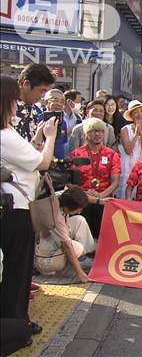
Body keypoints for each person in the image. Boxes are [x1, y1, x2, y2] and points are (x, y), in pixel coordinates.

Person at [1, 74, 57, 335]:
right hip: (16, 210)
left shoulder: (8, 132)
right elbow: (42, 162)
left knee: (14, 267)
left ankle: (14, 319)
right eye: (13, 100)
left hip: (14, 206)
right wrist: (50, 137)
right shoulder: (4, 134)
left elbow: (29, 155)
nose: (17, 105)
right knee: (17, 268)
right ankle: (15, 322)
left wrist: (36, 139)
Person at [69, 118, 121, 239]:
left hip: (103, 200)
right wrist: (85, 193)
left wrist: (101, 195)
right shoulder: (76, 153)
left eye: (101, 131)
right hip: (82, 199)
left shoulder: (112, 154)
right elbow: (70, 181)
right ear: (86, 134)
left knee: (101, 236)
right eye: (93, 131)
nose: (98, 134)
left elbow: (115, 182)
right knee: (81, 236)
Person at [36, 186, 95, 282]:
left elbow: (79, 195)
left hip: (53, 236)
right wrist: (81, 273)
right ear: (68, 207)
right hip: (46, 253)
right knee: (77, 247)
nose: (79, 211)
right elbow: (67, 245)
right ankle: (76, 263)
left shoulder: (62, 196)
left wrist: (100, 201)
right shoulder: (56, 217)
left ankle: (84, 257)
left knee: (80, 220)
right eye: (77, 209)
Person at [117, 100, 142, 198]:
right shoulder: (125, 129)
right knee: (127, 189)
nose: (139, 114)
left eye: (141, 111)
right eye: (135, 112)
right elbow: (128, 150)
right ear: (131, 116)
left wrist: (141, 136)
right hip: (128, 163)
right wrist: (136, 135)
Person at [15, 63, 55, 141]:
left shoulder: (35, 110)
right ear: (26, 84)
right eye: (41, 91)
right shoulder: (6, 107)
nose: (42, 96)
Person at [43, 89, 69, 158]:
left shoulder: (63, 122)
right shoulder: (39, 120)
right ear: (46, 102)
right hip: (43, 161)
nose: (59, 104)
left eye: (62, 102)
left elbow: (63, 143)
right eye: (56, 100)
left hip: (59, 163)